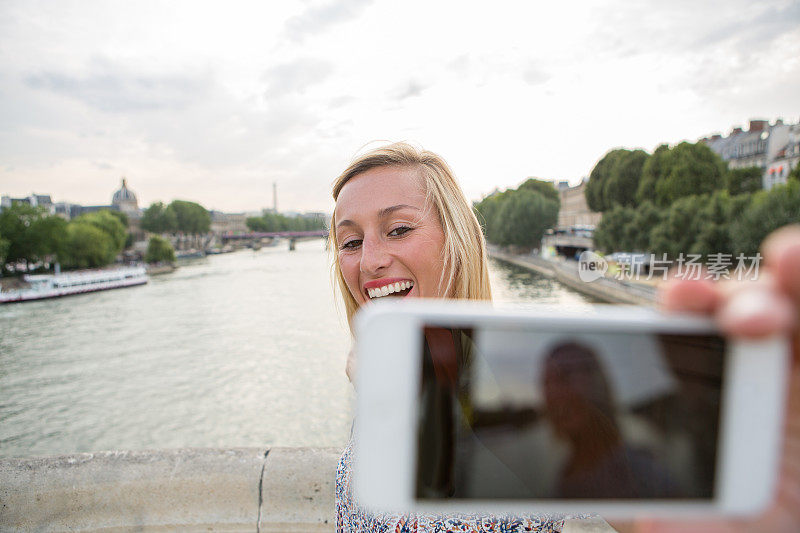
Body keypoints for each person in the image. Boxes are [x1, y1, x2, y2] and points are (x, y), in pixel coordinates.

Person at [329, 141, 800, 533]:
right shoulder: (379, 377)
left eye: (398, 229)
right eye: (350, 241)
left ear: (458, 240)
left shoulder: (541, 382)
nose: (370, 259)